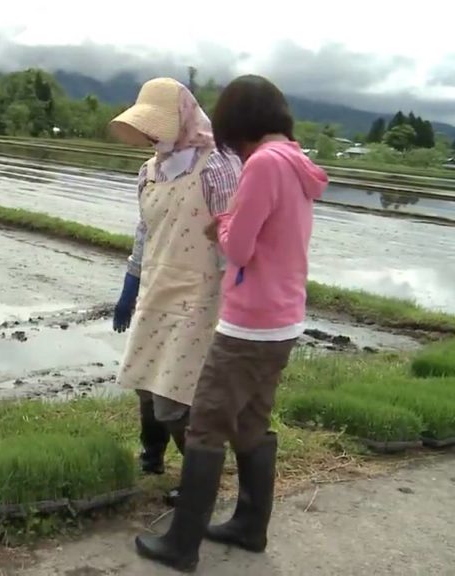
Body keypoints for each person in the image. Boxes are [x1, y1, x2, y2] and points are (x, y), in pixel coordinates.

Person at [134, 74, 328, 572]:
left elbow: (238, 247)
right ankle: (249, 525)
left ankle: (182, 544)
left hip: (249, 323)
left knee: (205, 427)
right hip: (283, 320)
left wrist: (218, 225)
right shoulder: (297, 161)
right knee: (250, 422)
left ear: (236, 125)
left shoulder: (263, 164)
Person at [108, 78, 240, 507]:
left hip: (200, 295)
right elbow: (145, 232)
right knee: (146, 380)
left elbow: (231, 236)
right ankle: (151, 458)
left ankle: (201, 480)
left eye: (157, 126)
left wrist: (235, 301)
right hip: (156, 286)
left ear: (182, 119)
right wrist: (130, 284)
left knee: (175, 394)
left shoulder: (217, 166)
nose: (150, 135)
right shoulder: (149, 171)